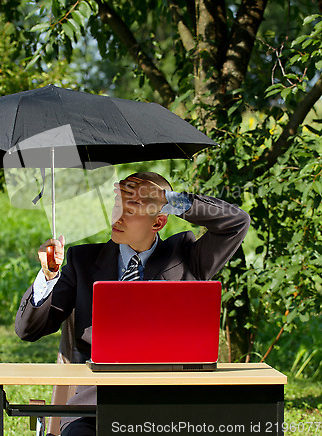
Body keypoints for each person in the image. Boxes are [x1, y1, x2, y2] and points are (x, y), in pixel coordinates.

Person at [15, 172, 251, 436]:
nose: (117, 217)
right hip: (94, 409)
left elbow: (237, 222)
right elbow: (28, 330)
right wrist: (48, 277)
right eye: (117, 205)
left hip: (168, 408)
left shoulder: (188, 258)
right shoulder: (82, 261)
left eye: (132, 209)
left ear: (159, 221)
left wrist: (168, 199)